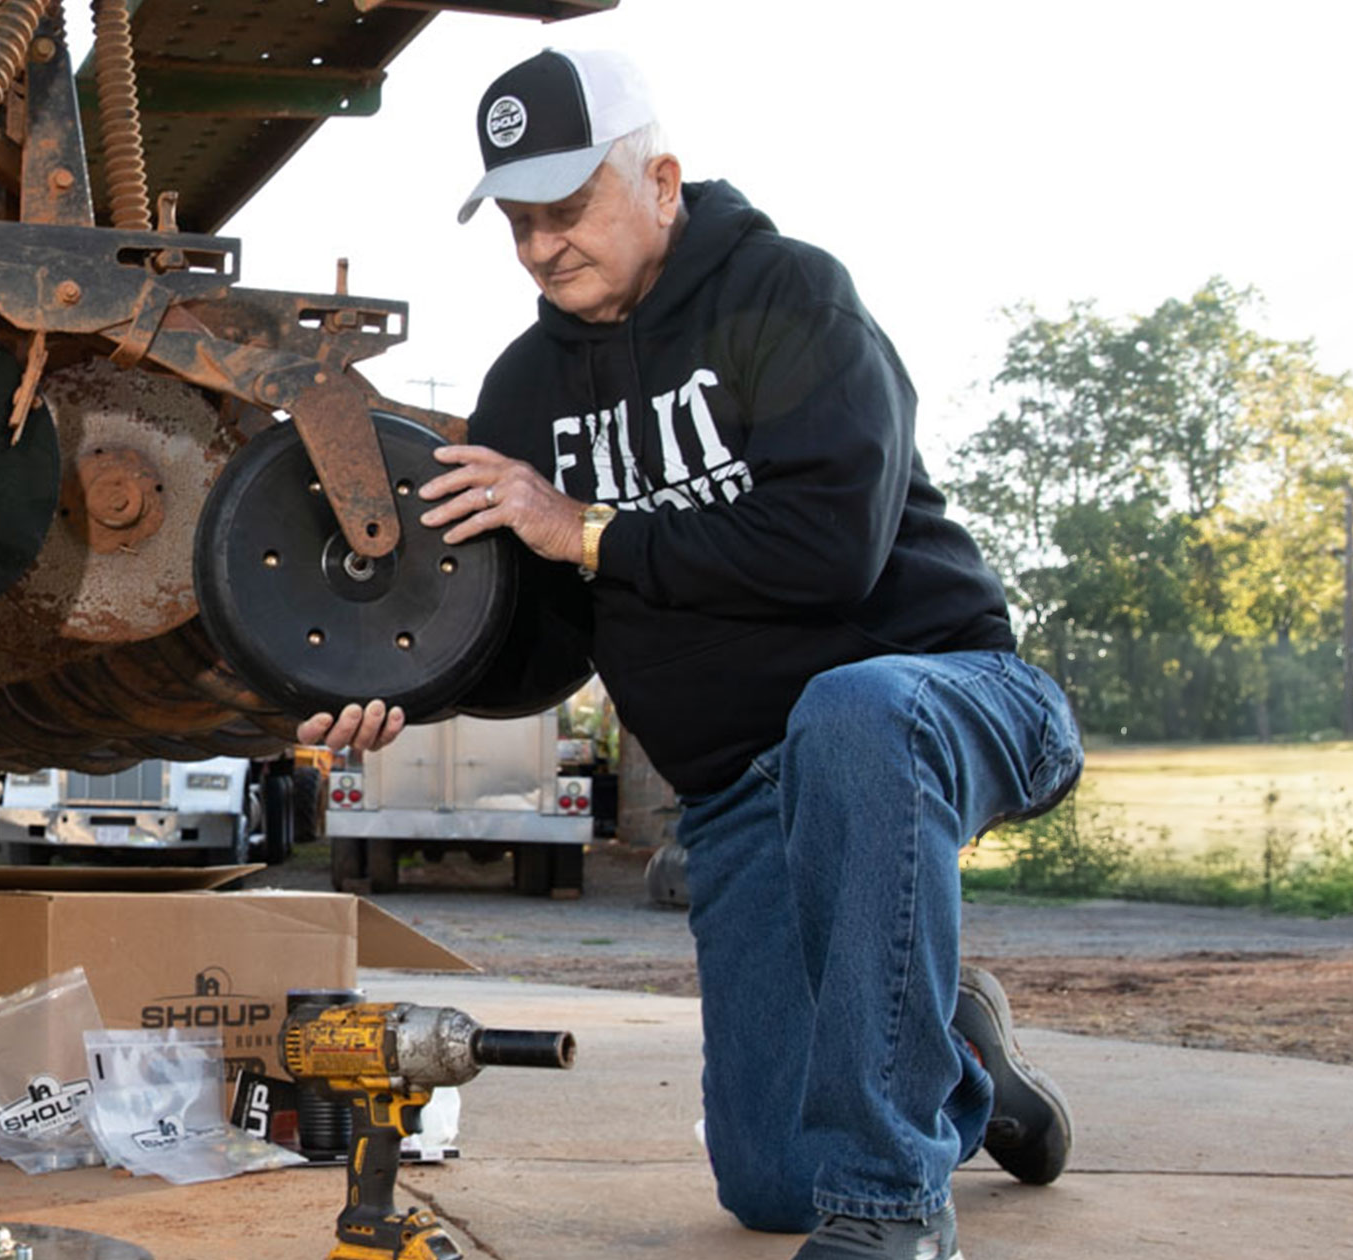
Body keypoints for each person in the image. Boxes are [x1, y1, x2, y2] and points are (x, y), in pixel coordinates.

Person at [292, 48, 1083, 1260]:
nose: (542, 247)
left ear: (661, 179)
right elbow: (542, 637)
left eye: (568, 210)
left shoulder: (789, 297)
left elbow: (831, 551)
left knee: (851, 711)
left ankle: (892, 1212)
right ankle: (956, 1054)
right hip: (741, 798)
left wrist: (588, 526)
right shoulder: (523, 395)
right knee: (770, 1183)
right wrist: (403, 684)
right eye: (517, 222)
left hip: (947, 703)